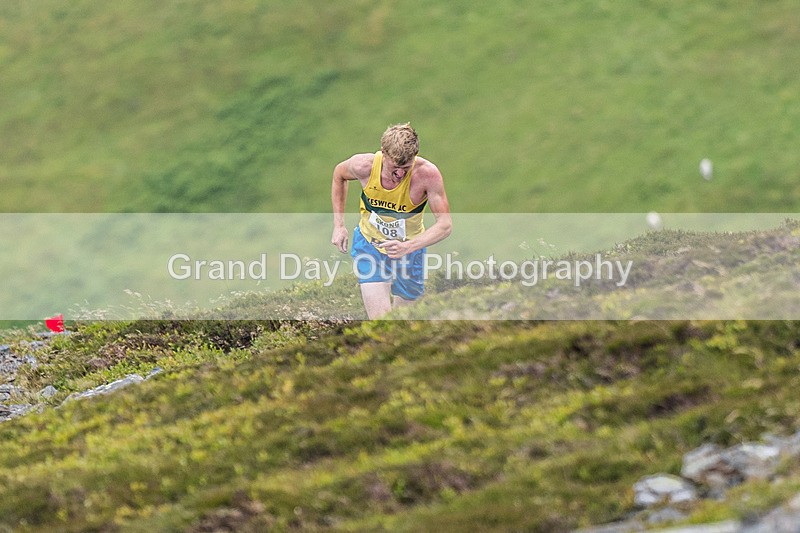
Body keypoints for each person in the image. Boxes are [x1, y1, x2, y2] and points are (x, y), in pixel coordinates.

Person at [331, 123, 452, 319]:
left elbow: (445, 225)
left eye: (406, 167)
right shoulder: (364, 166)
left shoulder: (428, 175)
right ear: (383, 153)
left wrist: (408, 247)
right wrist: (339, 226)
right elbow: (339, 175)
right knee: (382, 323)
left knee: (404, 324)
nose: (400, 175)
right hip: (370, 247)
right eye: (395, 167)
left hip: (410, 253)